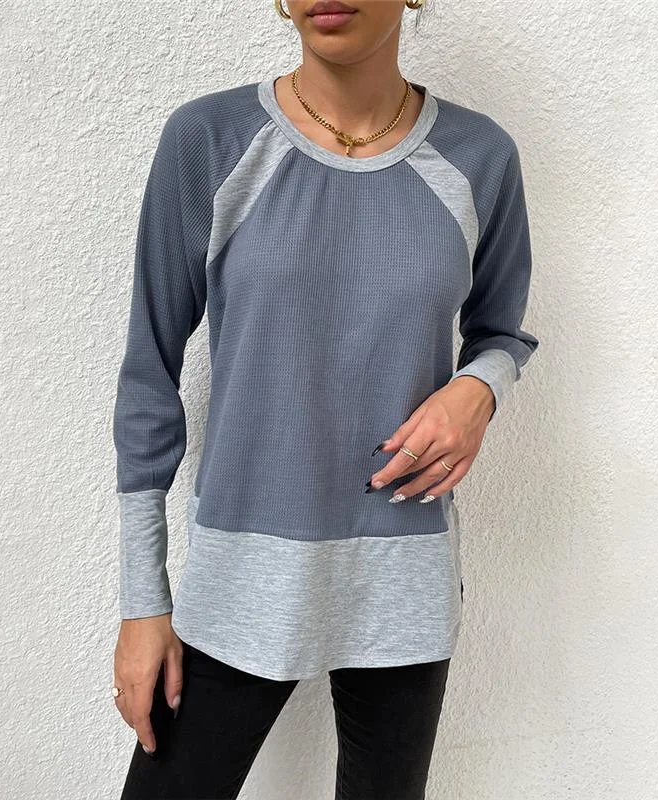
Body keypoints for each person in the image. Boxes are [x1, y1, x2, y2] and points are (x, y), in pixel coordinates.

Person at [111, 0, 539, 797]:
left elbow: (501, 334)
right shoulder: (211, 140)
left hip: (403, 581)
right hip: (240, 581)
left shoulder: (478, 156)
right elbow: (148, 375)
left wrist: (478, 389)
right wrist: (144, 603)